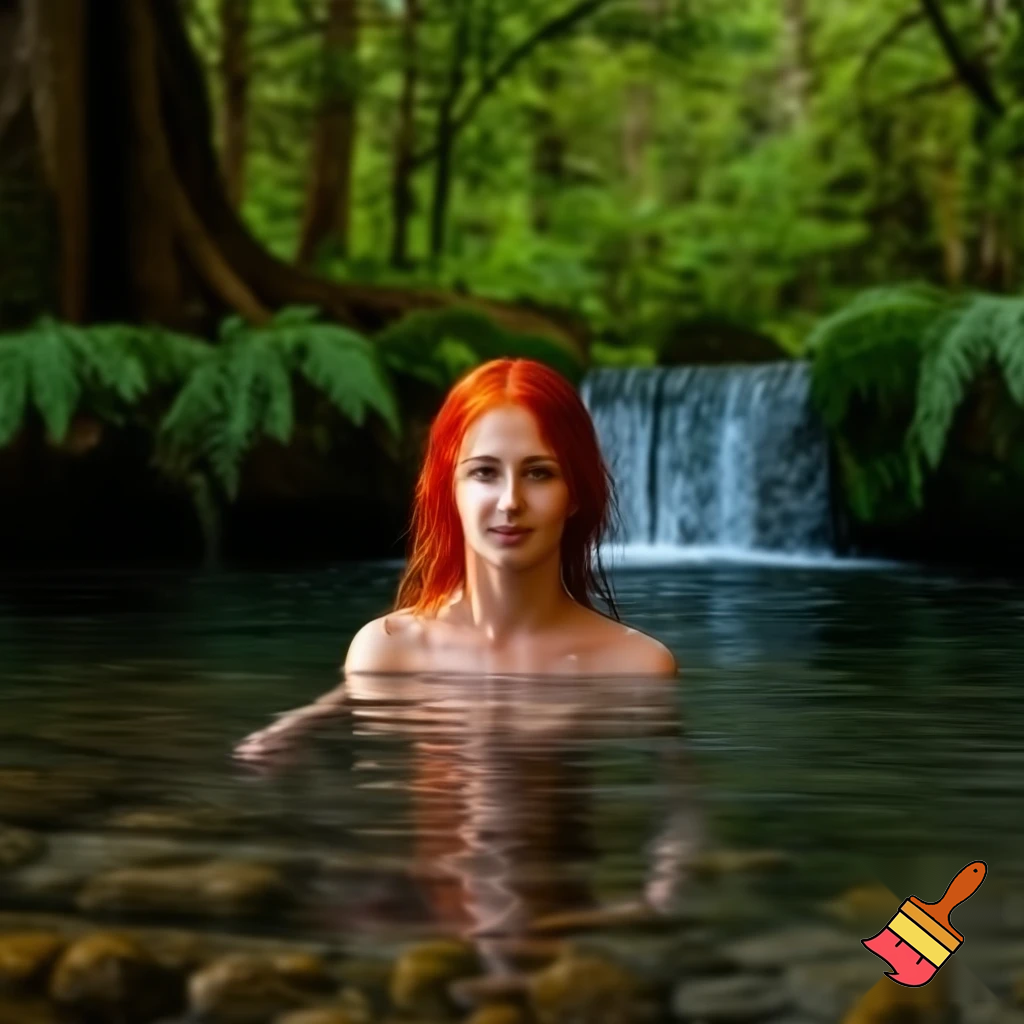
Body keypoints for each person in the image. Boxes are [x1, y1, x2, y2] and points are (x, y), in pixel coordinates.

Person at [345, 356, 678, 679]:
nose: (510, 502)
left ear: (575, 493)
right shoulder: (387, 654)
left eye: (538, 473)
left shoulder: (636, 667)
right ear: (449, 490)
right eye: (485, 472)